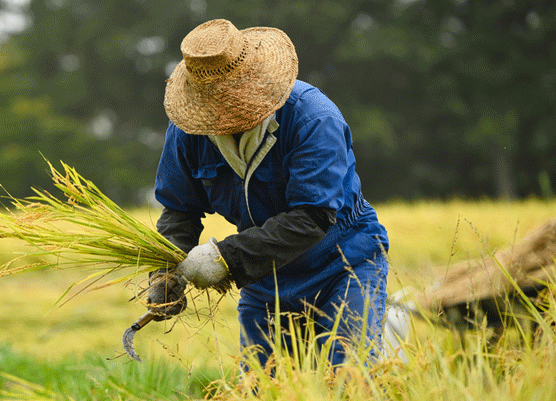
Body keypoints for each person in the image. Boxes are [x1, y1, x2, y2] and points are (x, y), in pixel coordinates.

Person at [144, 19, 389, 369]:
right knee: (263, 385)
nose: (225, 113)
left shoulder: (312, 119)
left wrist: (224, 258)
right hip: (265, 279)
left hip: (342, 264)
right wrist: (165, 273)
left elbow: (312, 217)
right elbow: (179, 211)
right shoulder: (188, 133)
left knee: (349, 378)